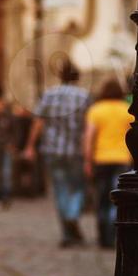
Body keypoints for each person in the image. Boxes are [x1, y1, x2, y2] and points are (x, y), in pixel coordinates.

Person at [23, 59, 91, 247]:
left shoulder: (49, 94)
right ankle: (72, 216)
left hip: (52, 149)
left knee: (60, 187)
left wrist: (30, 146)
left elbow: (38, 122)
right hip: (76, 149)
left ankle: (68, 232)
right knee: (77, 187)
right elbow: (88, 126)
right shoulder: (84, 96)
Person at [83, 78, 132, 248]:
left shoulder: (96, 110)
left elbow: (89, 138)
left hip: (101, 159)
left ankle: (103, 236)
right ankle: (113, 234)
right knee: (117, 199)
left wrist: (87, 161)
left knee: (102, 198)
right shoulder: (126, 109)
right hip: (122, 159)